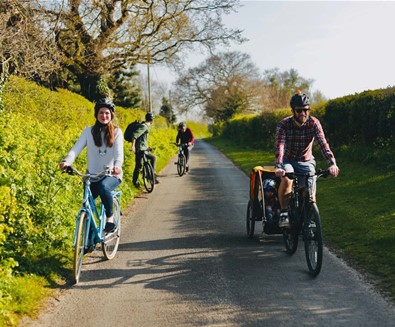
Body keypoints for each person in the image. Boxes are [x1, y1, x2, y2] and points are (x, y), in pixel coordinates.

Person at [274, 91, 339, 228]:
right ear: (293, 111)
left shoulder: (314, 123)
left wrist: (332, 163)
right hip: (288, 160)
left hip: (306, 161)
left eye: (306, 110)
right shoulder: (284, 124)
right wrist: (279, 166)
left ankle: (309, 219)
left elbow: (323, 144)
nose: (303, 113)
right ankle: (284, 213)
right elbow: (280, 146)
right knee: (287, 180)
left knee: (309, 191)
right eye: (299, 110)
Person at [59, 98, 124, 233]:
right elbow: (76, 149)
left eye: (107, 113)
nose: (104, 116)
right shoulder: (88, 131)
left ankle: (110, 219)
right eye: (101, 112)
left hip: (111, 174)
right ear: (96, 114)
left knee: (104, 187)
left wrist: (117, 166)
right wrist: (67, 161)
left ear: (111, 115)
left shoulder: (117, 132)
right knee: (87, 206)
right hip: (92, 175)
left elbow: (119, 154)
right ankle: (87, 242)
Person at [131, 112, 158, 188]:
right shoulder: (144, 126)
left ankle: (151, 176)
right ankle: (135, 182)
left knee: (153, 158)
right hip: (140, 150)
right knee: (139, 165)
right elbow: (134, 135)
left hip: (144, 149)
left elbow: (142, 139)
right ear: (152, 120)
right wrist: (133, 146)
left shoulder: (146, 126)